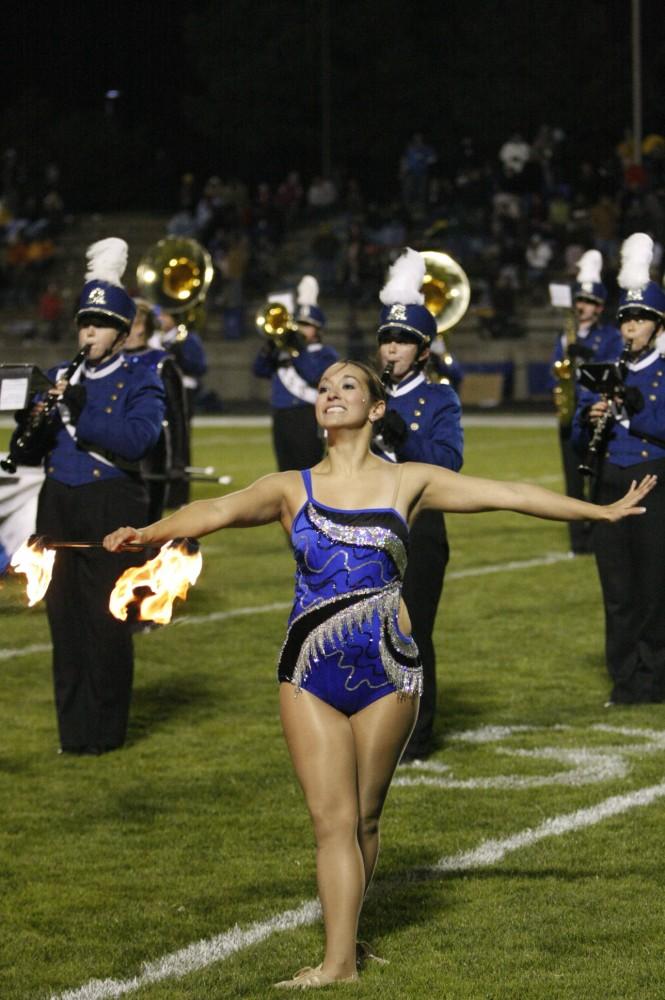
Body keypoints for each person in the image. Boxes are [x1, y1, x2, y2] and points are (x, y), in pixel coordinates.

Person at [104, 357, 653, 988]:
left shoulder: (409, 482)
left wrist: (600, 513)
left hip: (389, 668)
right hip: (308, 668)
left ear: (376, 409)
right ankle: (338, 965)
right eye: (324, 388)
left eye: (347, 386)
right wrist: (148, 533)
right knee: (332, 821)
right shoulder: (290, 487)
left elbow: (511, 495)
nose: (330, 394)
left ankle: (348, 942)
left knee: (364, 817)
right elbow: (217, 510)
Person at [11, 239, 165, 754]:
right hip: (58, 503)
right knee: (65, 619)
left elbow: (139, 440)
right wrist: (29, 427)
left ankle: (105, 733)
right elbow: (32, 455)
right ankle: (73, 735)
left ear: (121, 334)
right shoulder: (57, 375)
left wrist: (83, 411)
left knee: (106, 620)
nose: (89, 333)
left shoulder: (141, 376)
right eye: (84, 323)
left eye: (99, 325)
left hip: (111, 503)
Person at [373, 248, 463, 761]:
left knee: (410, 631)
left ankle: (416, 735)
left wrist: (401, 435)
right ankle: (375, 724)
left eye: (403, 340)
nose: (392, 348)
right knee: (368, 631)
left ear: (422, 351)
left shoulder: (441, 400)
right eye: (387, 338)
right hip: (366, 530)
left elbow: (448, 465)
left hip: (419, 530)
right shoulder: (362, 391)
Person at [573, 232, 665, 704]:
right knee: (617, 590)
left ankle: (654, 677)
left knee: (653, 587)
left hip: (653, 481)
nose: (630, 327)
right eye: (626, 317)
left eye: (640, 318)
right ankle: (625, 680)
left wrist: (630, 410)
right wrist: (588, 416)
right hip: (609, 481)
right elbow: (575, 435)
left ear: (656, 324)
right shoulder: (603, 368)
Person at [550, 250, 622, 554]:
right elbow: (557, 367)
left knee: (598, 478)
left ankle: (598, 534)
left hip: (596, 413)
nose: (582, 306)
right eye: (580, 300)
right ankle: (578, 541)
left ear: (600, 307)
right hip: (571, 414)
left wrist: (585, 355)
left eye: (590, 302)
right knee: (572, 481)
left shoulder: (609, 336)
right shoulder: (565, 336)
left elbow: (612, 366)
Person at [252, 275, 339, 471]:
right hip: (281, 415)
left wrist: (298, 351)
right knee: (285, 469)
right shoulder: (282, 350)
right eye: (298, 323)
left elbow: (313, 375)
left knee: (308, 467)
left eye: (306, 325)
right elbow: (259, 369)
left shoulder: (326, 354)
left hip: (307, 415)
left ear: (318, 330)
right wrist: (269, 345)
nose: (300, 328)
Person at [125, 299, 190, 519]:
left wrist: (179, 461)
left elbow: (177, 417)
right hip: (117, 450)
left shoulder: (163, 362)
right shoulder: (110, 360)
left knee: (148, 520)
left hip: (154, 449)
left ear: (142, 326)